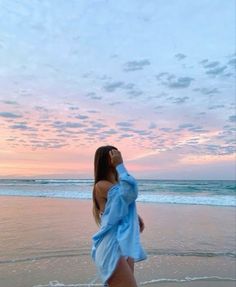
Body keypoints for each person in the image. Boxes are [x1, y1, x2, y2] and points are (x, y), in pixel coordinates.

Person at [91, 145, 147, 286]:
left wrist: (134, 217)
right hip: (112, 246)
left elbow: (121, 205)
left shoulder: (115, 184)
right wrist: (120, 166)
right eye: (114, 155)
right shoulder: (101, 185)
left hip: (123, 243)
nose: (119, 157)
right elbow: (129, 193)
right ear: (107, 160)